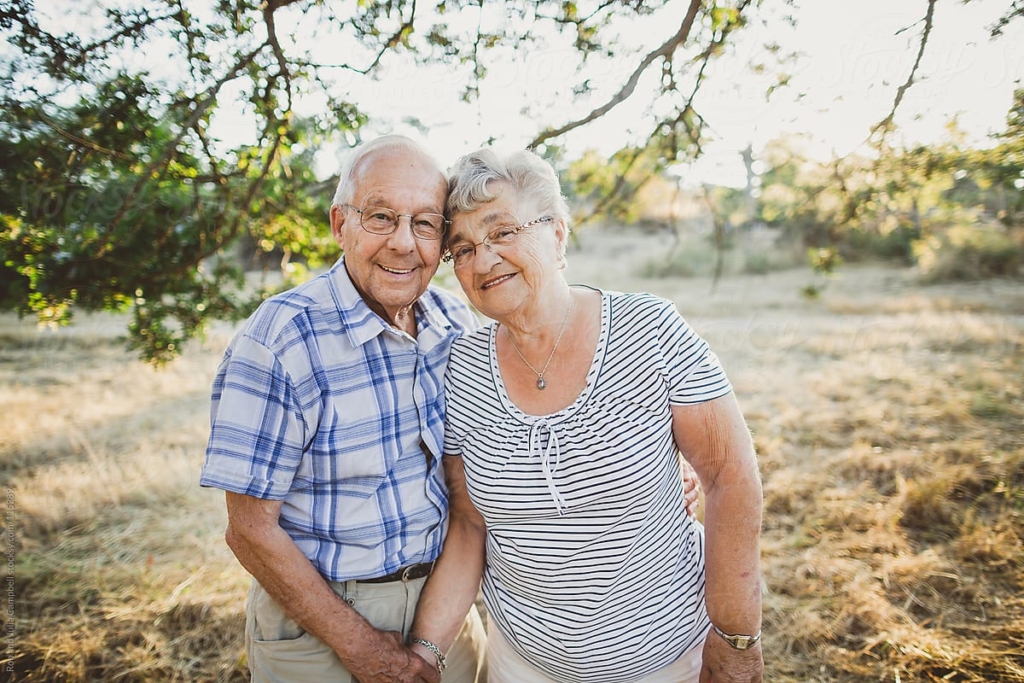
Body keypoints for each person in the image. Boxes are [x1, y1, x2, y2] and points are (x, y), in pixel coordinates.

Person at [405, 147, 764, 683]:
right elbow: (469, 523)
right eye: (462, 249)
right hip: (522, 664)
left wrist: (736, 638)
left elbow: (730, 478)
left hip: (667, 661)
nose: (482, 261)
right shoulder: (463, 369)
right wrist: (425, 652)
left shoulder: (649, 330)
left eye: (503, 232)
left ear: (557, 231)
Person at [199, 135, 489, 683]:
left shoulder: (457, 326)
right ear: (340, 224)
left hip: (446, 612)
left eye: (425, 224)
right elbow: (249, 530)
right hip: (321, 626)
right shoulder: (281, 340)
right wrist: (362, 648)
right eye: (381, 217)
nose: (404, 244)